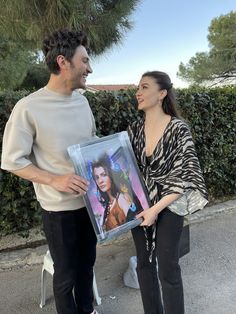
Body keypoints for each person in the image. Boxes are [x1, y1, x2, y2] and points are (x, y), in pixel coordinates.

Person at [1, 29, 99, 314]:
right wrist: (55, 179)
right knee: (66, 274)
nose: (89, 68)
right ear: (63, 62)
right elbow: (12, 160)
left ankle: (88, 310)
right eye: (85, 61)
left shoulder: (83, 102)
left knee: (87, 266)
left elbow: (90, 144)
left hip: (91, 205)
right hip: (59, 212)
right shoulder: (28, 107)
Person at [128, 71, 208, 314]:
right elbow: (127, 171)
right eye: (138, 88)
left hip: (169, 205)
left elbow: (183, 176)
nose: (138, 93)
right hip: (141, 204)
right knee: (144, 265)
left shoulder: (178, 129)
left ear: (162, 93)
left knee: (168, 268)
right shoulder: (133, 129)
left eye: (144, 87)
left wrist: (154, 210)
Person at [91, 155, 143, 231]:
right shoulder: (108, 204)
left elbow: (135, 226)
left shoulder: (122, 198)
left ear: (111, 176)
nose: (100, 181)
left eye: (104, 175)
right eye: (97, 177)